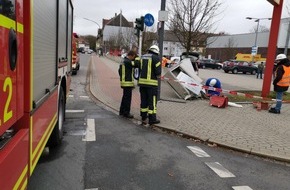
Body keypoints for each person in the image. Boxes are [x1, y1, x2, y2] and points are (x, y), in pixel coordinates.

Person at [138, 45, 162, 125]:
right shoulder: (156, 58)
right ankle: (152, 119)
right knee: (152, 101)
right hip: (151, 84)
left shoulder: (142, 57)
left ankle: (143, 116)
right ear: (156, 51)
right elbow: (158, 73)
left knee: (143, 100)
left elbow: (138, 69)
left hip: (142, 83)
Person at [118, 50, 137, 118]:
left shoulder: (123, 61)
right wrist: (137, 59)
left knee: (124, 97)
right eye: (134, 57)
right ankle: (126, 113)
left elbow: (119, 71)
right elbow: (136, 64)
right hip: (127, 82)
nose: (133, 58)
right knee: (128, 98)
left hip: (123, 81)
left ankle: (121, 111)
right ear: (131, 55)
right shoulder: (128, 62)